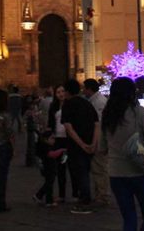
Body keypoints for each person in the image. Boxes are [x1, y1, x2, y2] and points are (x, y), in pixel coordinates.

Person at [100, 77, 144, 231]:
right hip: (141, 170)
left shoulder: (107, 115)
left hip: (117, 172)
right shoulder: (138, 112)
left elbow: (101, 146)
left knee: (128, 218)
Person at [61, 78, 99, 213]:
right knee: (85, 172)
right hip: (90, 144)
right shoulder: (87, 104)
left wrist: (82, 144)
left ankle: (85, 201)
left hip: (76, 146)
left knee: (79, 173)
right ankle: (85, 198)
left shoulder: (68, 105)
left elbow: (69, 127)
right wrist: (93, 143)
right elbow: (96, 124)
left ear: (67, 91)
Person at [84, 78, 111, 207]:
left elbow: (100, 124)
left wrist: (97, 141)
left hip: (99, 139)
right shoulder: (95, 100)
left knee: (100, 168)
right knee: (97, 168)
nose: (83, 91)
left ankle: (103, 195)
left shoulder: (99, 102)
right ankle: (100, 193)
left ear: (89, 89)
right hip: (98, 138)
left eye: (85, 88)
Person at [46, 85, 69, 203]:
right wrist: (51, 135)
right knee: (60, 167)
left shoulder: (70, 105)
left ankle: (76, 193)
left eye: (62, 91)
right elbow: (50, 122)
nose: (60, 94)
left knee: (72, 167)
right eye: (58, 92)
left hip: (69, 138)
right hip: (58, 139)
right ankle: (61, 194)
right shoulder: (53, 106)